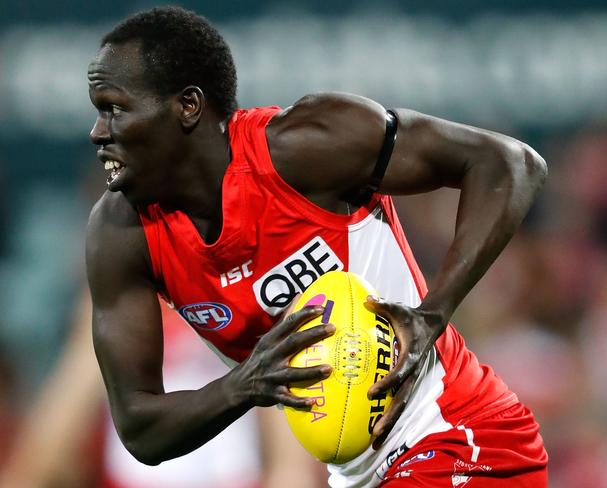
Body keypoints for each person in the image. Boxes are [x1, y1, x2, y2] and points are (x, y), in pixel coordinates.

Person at [86, 6, 548, 487]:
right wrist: (241, 386)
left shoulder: (306, 146)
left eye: (114, 109)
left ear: (188, 106)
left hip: (462, 435)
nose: (98, 133)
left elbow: (511, 164)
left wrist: (433, 314)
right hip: (359, 476)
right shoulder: (121, 236)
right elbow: (140, 428)